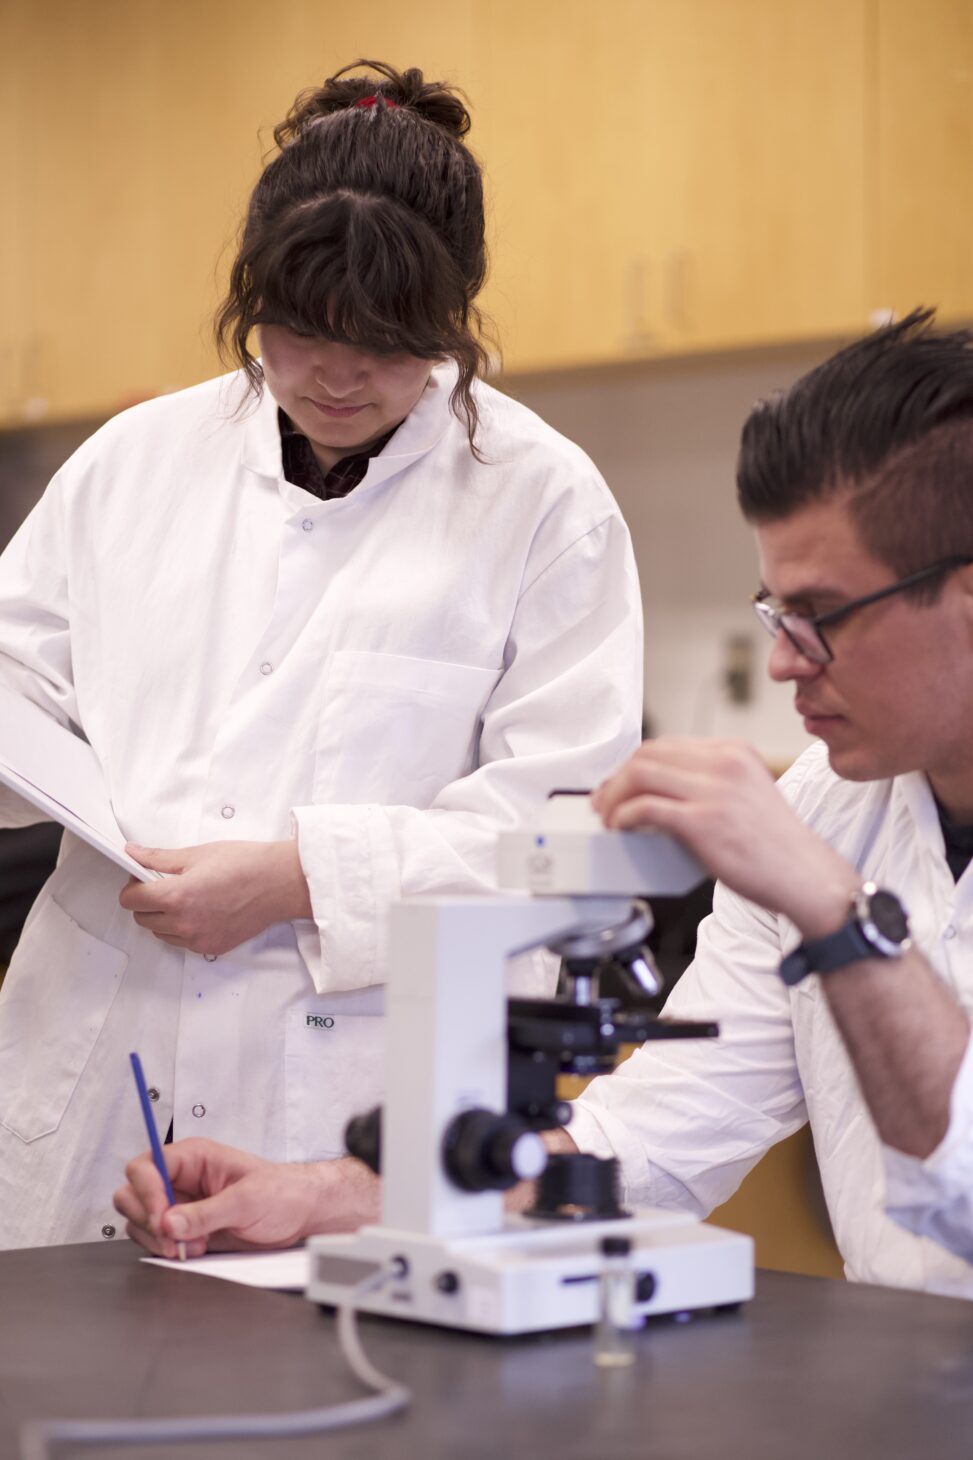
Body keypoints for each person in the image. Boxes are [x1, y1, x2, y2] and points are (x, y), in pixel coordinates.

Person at [117, 312, 973, 1299]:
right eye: (775, 614)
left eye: (820, 616)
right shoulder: (828, 806)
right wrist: (329, 1193)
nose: (782, 662)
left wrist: (830, 904)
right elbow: (653, 1135)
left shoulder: (811, 852)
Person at [0, 61, 642, 1249]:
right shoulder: (132, 462)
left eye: (388, 345)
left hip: (353, 1103)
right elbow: (15, 680)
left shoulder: (542, 501)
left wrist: (300, 877)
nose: (337, 376)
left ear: (454, 315)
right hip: (97, 1066)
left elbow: (567, 843)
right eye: (297, 333)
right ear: (253, 297)